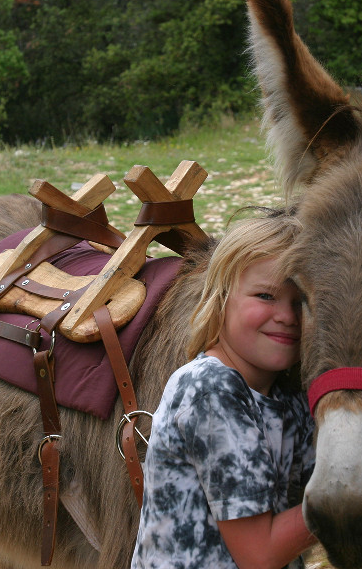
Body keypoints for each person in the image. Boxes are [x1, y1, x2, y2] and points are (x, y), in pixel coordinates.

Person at [131, 209, 317, 569]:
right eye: (265, 296)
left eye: (302, 301)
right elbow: (259, 554)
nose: (288, 316)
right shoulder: (209, 389)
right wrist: (343, 504)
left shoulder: (287, 394)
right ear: (221, 298)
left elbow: (323, 476)